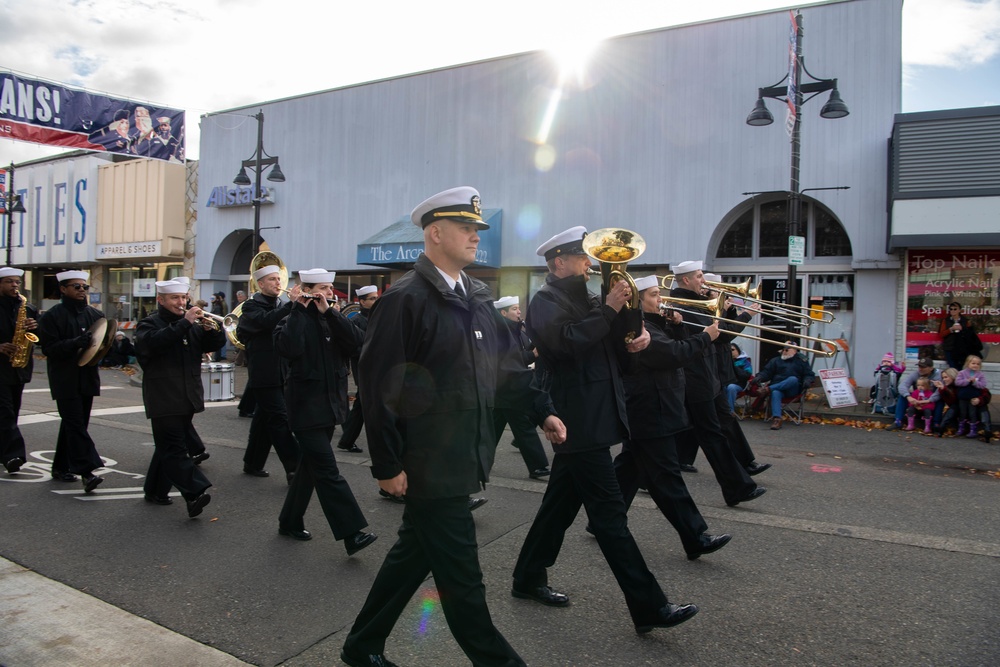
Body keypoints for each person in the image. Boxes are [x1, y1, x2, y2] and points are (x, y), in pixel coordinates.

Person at [342, 187, 567, 667]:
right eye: (466, 228)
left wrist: (540, 410)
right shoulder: (405, 300)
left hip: (467, 452)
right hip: (429, 460)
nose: (474, 236)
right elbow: (378, 385)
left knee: (413, 556)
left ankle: (361, 646)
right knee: (463, 577)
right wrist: (386, 462)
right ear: (435, 233)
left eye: (477, 229)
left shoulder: (476, 298)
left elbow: (505, 370)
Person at [511, 225, 699, 636]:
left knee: (558, 507)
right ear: (559, 262)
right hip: (577, 418)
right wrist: (610, 310)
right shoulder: (545, 300)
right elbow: (566, 344)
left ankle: (527, 577)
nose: (591, 263)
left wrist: (634, 334)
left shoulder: (590, 298)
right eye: (582, 257)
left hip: (598, 412)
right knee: (612, 520)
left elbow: (607, 344)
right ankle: (649, 605)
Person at [614, 275, 732, 559]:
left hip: (653, 408)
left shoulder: (654, 324)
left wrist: (677, 326)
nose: (661, 299)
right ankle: (695, 537)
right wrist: (706, 336)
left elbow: (672, 348)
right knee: (667, 478)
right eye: (654, 295)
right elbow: (672, 354)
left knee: (628, 470)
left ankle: (602, 520)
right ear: (638, 300)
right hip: (652, 410)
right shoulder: (639, 327)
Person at [274, 269, 376, 556]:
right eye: (322, 288)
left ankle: (289, 520)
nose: (328, 293)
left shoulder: (332, 318)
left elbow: (358, 343)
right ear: (305, 289)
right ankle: (352, 533)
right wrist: (297, 308)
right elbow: (288, 348)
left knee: (309, 468)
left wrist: (331, 314)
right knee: (328, 471)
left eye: (330, 288)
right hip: (305, 408)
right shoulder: (289, 319)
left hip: (331, 406)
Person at [669, 261, 765, 504]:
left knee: (721, 425)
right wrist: (747, 314)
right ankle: (737, 488)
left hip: (708, 376)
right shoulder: (684, 304)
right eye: (700, 276)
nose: (704, 281)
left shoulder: (699, 302)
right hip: (695, 379)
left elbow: (721, 327)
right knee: (712, 435)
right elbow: (720, 334)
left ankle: (743, 472)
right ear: (687, 280)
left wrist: (729, 309)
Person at [134, 281, 222, 516]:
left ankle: (155, 490)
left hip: (188, 394)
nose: (181, 303)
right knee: (174, 448)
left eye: (184, 297)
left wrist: (212, 331)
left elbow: (214, 344)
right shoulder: (148, 324)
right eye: (175, 298)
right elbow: (155, 343)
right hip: (163, 395)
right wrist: (186, 322)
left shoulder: (191, 325)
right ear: (160, 300)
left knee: (167, 445)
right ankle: (194, 493)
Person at [37, 270, 106, 492]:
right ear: (63, 289)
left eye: (84, 287)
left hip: (87, 378)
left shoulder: (95, 316)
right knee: (75, 425)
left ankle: (60, 467)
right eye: (76, 286)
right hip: (64, 379)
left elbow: (103, 344)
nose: (81, 290)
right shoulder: (51, 316)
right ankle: (87, 472)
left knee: (75, 425)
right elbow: (49, 348)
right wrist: (75, 342)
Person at [236, 267, 300, 481]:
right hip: (263, 373)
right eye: (272, 279)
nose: (277, 282)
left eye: (278, 278)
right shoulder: (251, 306)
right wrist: (292, 304)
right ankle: (295, 467)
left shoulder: (280, 305)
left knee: (265, 420)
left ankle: (252, 462)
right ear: (260, 284)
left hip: (280, 371)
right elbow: (267, 321)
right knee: (280, 419)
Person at [492, 295, 551, 479]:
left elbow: (524, 351)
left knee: (491, 430)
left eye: (518, 308)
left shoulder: (519, 331)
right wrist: (531, 355)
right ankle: (538, 466)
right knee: (523, 426)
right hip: (508, 388)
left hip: (512, 387)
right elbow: (507, 360)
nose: (519, 312)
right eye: (514, 309)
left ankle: (477, 461)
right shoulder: (500, 333)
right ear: (503, 312)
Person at [0, 267, 38, 475]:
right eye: (9, 281)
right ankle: (13, 456)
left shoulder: (26, 307)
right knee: (5, 412)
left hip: (18, 366)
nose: (15, 285)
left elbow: (38, 336)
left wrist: (34, 326)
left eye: (16, 282)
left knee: (12, 412)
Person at [337, 284, 378, 454]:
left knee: (362, 406)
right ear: (361, 302)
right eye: (373, 298)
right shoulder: (355, 321)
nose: (377, 301)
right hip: (364, 368)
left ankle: (347, 440)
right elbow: (352, 347)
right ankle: (348, 440)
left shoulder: (379, 317)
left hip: (378, 368)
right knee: (364, 404)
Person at [753, 341, 817, 431]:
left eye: (787, 349)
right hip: (778, 388)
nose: (784, 351)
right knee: (775, 392)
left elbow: (809, 374)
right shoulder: (776, 360)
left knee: (793, 379)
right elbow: (766, 372)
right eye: (783, 349)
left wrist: (808, 380)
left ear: (794, 351)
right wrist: (760, 376)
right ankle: (777, 419)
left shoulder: (801, 361)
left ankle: (767, 389)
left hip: (793, 390)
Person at [886, 358, 942, 431]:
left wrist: (929, 400)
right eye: (919, 366)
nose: (920, 369)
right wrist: (908, 396)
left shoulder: (938, 376)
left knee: (941, 399)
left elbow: (939, 392)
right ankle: (898, 421)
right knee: (902, 396)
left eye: (923, 367)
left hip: (930, 403)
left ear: (931, 368)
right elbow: (902, 385)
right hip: (916, 402)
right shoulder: (915, 374)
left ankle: (936, 423)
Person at [939, 302, 982, 370]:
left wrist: (962, 329)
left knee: (963, 368)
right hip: (950, 347)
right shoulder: (946, 320)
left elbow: (970, 334)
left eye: (955, 309)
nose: (953, 311)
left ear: (959, 310)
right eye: (951, 309)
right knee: (953, 368)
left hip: (963, 348)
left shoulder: (965, 321)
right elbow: (941, 334)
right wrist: (951, 329)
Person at [954, 355, 988, 438]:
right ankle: (961, 428)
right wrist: (967, 380)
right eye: (973, 363)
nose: (975, 365)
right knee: (963, 412)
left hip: (973, 397)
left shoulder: (980, 374)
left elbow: (983, 385)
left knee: (972, 413)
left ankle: (973, 430)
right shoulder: (962, 373)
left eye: (978, 364)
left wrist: (975, 382)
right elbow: (957, 382)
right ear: (968, 363)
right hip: (963, 397)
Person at [931, 368, 959, 436]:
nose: (944, 379)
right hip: (954, 409)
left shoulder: (959, 386)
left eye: (946, 377)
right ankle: (940, 426)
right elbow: (950, 401)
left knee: (954, 406)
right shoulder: (948, 387)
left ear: (952, 376)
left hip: (966, 409)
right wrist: (942, 389)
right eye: (943, 377)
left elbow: (955, 400)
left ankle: (941, 427)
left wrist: (944, 389)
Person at [726, 343, 753, 414]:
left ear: (738, 350)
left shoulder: (745, 361)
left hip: (739, 384)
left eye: (732, 350)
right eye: (728, 350)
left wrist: (734, 366)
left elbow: (746, 375)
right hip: (725, 383)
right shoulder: (725, 361)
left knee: (731, 387)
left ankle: (730, 412)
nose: (730, 352)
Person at [211, 292, 229, 361]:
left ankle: (218, 356)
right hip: (219, 324)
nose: (211, 299)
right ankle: (218, 356)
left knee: (219, 340)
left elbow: (218, 315)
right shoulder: (215, 305)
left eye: (213, 298)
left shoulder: (218, 306)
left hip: (219, 324)